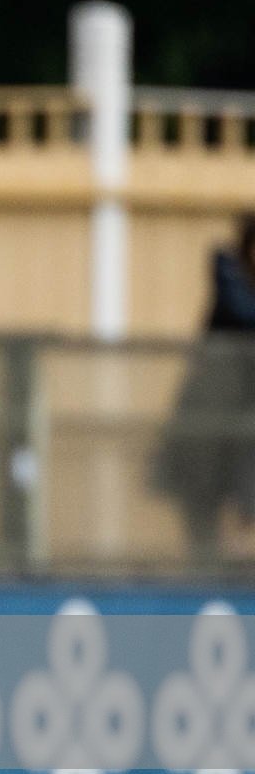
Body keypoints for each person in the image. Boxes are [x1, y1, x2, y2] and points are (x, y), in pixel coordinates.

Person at [152, 213, 255, 556]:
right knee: (199, 501)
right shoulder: (228, 267)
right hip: (208, 413)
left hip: (242, 420)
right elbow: (242, 310)